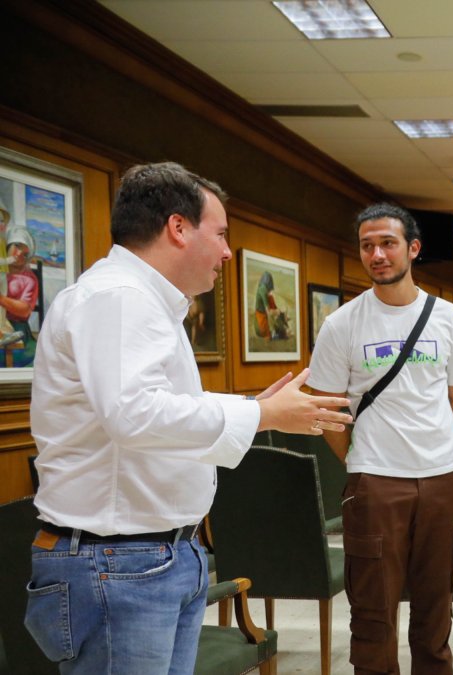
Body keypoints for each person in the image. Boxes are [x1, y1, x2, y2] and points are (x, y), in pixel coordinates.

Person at [25, 161, 353, 674]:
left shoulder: (147, 302)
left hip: (153, 556)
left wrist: (250, 409)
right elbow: (134, 416)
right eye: (221, 234)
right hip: (120, 562)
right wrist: (261, 413)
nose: (226, 251)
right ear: (178, 227)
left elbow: (154, 414)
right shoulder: (119, 298)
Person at [308, 203, 453, 675]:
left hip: (443, 479)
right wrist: (363, 459)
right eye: (367, 245)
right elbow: (326, 408)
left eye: (387, 243)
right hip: (375, 483)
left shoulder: (449, 318)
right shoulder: (342, 324)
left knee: (435, 609)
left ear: (413, 248)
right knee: (372, 615)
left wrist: (433, 444)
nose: (377, 254)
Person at [1, 226, 39, 366]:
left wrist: (2, 300)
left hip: (17, 330)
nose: (18, 254)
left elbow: (24, 311)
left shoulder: (29, 279)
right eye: (16, 247)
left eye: (24, 254)